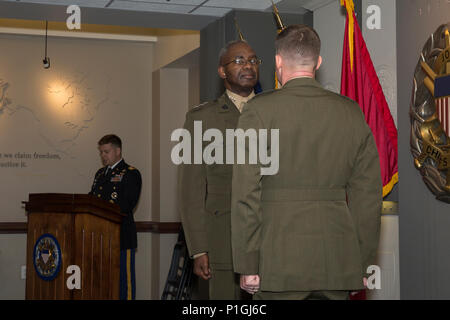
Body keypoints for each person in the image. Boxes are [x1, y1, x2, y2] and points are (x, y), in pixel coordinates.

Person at [231, 25, 382, 300]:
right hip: (336, 260)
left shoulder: (259, 111)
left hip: (277, 262)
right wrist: (361, 262)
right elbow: (368, 196)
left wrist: (248, 263)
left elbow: (245, 194)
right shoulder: (350, 112)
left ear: (278, 62)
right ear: (318, 62)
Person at [178, 40, 261, 300]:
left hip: (270, 237)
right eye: (238, 60)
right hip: (222, 238)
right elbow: (191, 188)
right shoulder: (202, 118)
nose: (248, 65)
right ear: (222, 72)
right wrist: (199, 248)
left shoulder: (275, 110)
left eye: (253, 60)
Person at [89, 134, 142, 300]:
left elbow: (127, 204)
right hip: (100, 236)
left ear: (118, 151)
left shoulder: (130, 173)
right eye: (101, 152)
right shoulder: (100, 174)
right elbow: (91, 199)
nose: (103, 156)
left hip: (121, 237)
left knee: (124, 283)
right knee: (104, 281)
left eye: (106, 152)